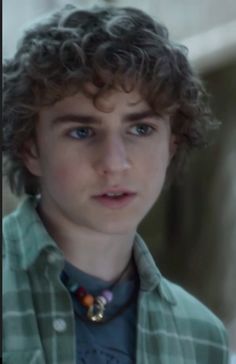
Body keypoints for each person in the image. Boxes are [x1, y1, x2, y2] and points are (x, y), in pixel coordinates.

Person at [2, 4, 229, 364]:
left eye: (141, 129)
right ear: (31, 149)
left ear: (171, 145)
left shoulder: (202, 338)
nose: (114, 163)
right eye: (82, 132)